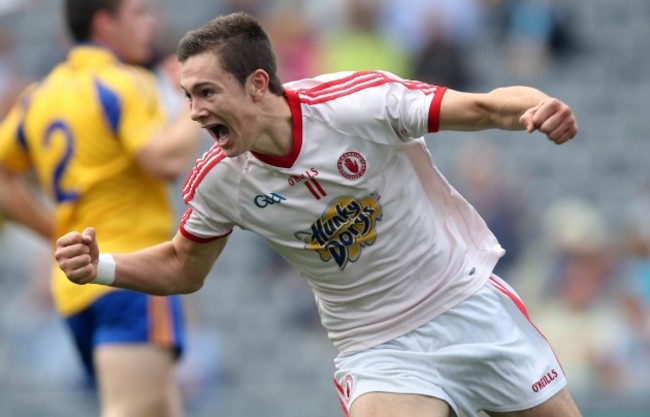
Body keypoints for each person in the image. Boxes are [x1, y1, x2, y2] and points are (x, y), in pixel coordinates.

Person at [54, 11, 582, 417]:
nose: (195, 112)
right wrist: (102, 267)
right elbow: (181, 267)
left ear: (257, 84)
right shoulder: (219, 180)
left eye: (207, 92)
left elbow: (488, 106)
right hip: (378, 348)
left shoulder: (357, 105)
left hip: (466, 302)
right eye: (189, 96)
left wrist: (540, 107)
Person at [0, 0, 202, 416]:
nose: (150, 24)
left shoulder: (40, 95)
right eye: (139, 13)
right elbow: (162, 160)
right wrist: (192, 103)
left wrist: (56, 232)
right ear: (105, 23)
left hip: (77, 286)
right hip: (131, 273)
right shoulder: (124, 82)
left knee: (162, 409)